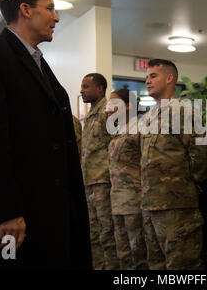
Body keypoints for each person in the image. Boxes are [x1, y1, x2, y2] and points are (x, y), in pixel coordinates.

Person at [0, 0, 91, 269]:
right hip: (16, 217)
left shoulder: (40, 66)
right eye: (51, 9)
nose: (56, 17)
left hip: (48, 212)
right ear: (26, 9)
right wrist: (6, 211)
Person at [140, 59, 207, 270]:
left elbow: (202, 149)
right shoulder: (148, 117)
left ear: (170, 78)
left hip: (177, 205)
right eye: (146, 77)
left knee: (181, 266)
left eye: (153, 76)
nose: (148, 81)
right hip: (150, 204)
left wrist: (191, 181)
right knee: (156, 265)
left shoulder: (186, 111)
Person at [80, 73, 120, 270]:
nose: (82, 90)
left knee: (107, 233)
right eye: (82, 86)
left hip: (104, 182)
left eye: (86, 86)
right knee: (92, 234)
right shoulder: (89, 115)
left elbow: (119, 146)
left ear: (99, 89)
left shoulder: (109, 111)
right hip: (89, 182)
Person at [106, 88, 148, 270]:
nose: (108, 108)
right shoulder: (116, 132)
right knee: (123, 255)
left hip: (135, 201)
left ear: (129, 106)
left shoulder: (140, 129)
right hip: (117, 202)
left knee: (138, 254)